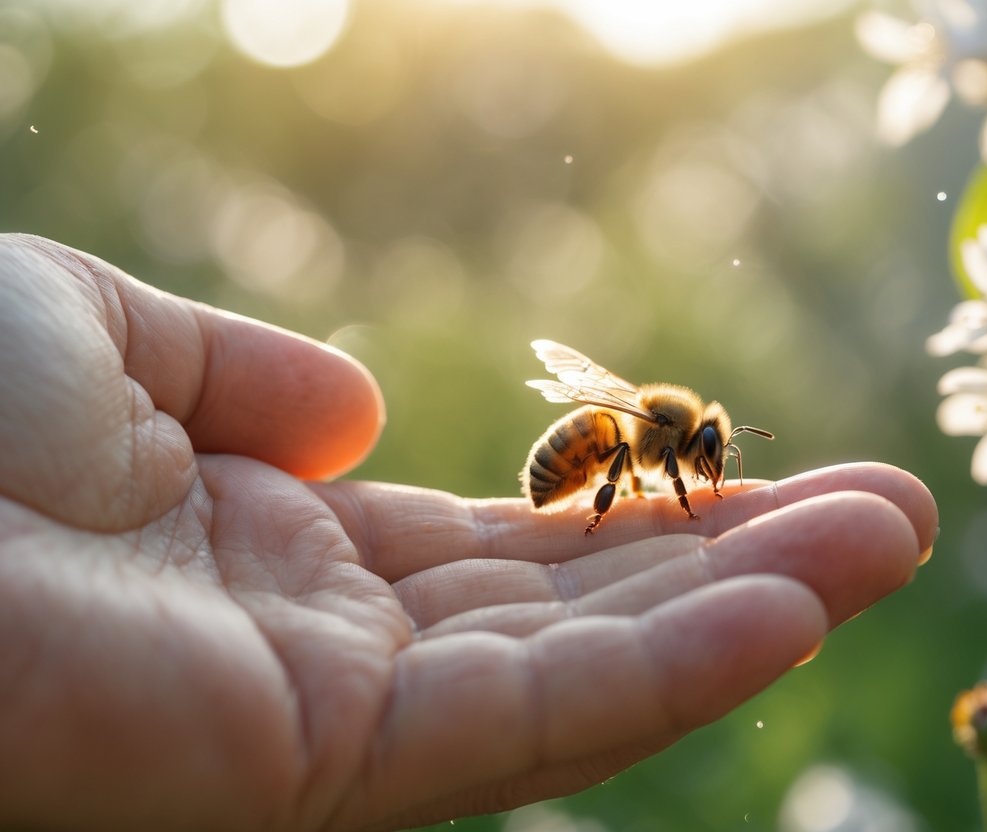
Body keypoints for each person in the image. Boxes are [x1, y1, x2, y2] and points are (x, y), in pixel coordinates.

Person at [0, 233, 938, 831]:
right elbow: (628, 451)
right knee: (604, 457)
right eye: (700, 456)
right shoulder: (646, 431)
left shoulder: (665, 430)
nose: (703, 466)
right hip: (576, 457)